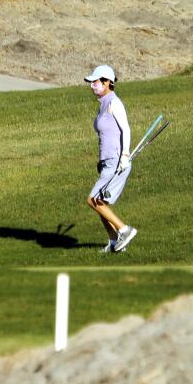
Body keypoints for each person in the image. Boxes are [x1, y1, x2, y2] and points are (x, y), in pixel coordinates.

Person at [83, 65, 137, 253]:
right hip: (107, 161)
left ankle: (124, 230)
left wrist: (124, 155)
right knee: (101, 205)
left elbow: (126, 129)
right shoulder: (103, 104)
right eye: (91, 82)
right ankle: (114, 242)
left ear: (108, 82)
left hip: (117, 160)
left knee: (93, 200)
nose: (92, 86)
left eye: (96, 82)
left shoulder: (115, 102)